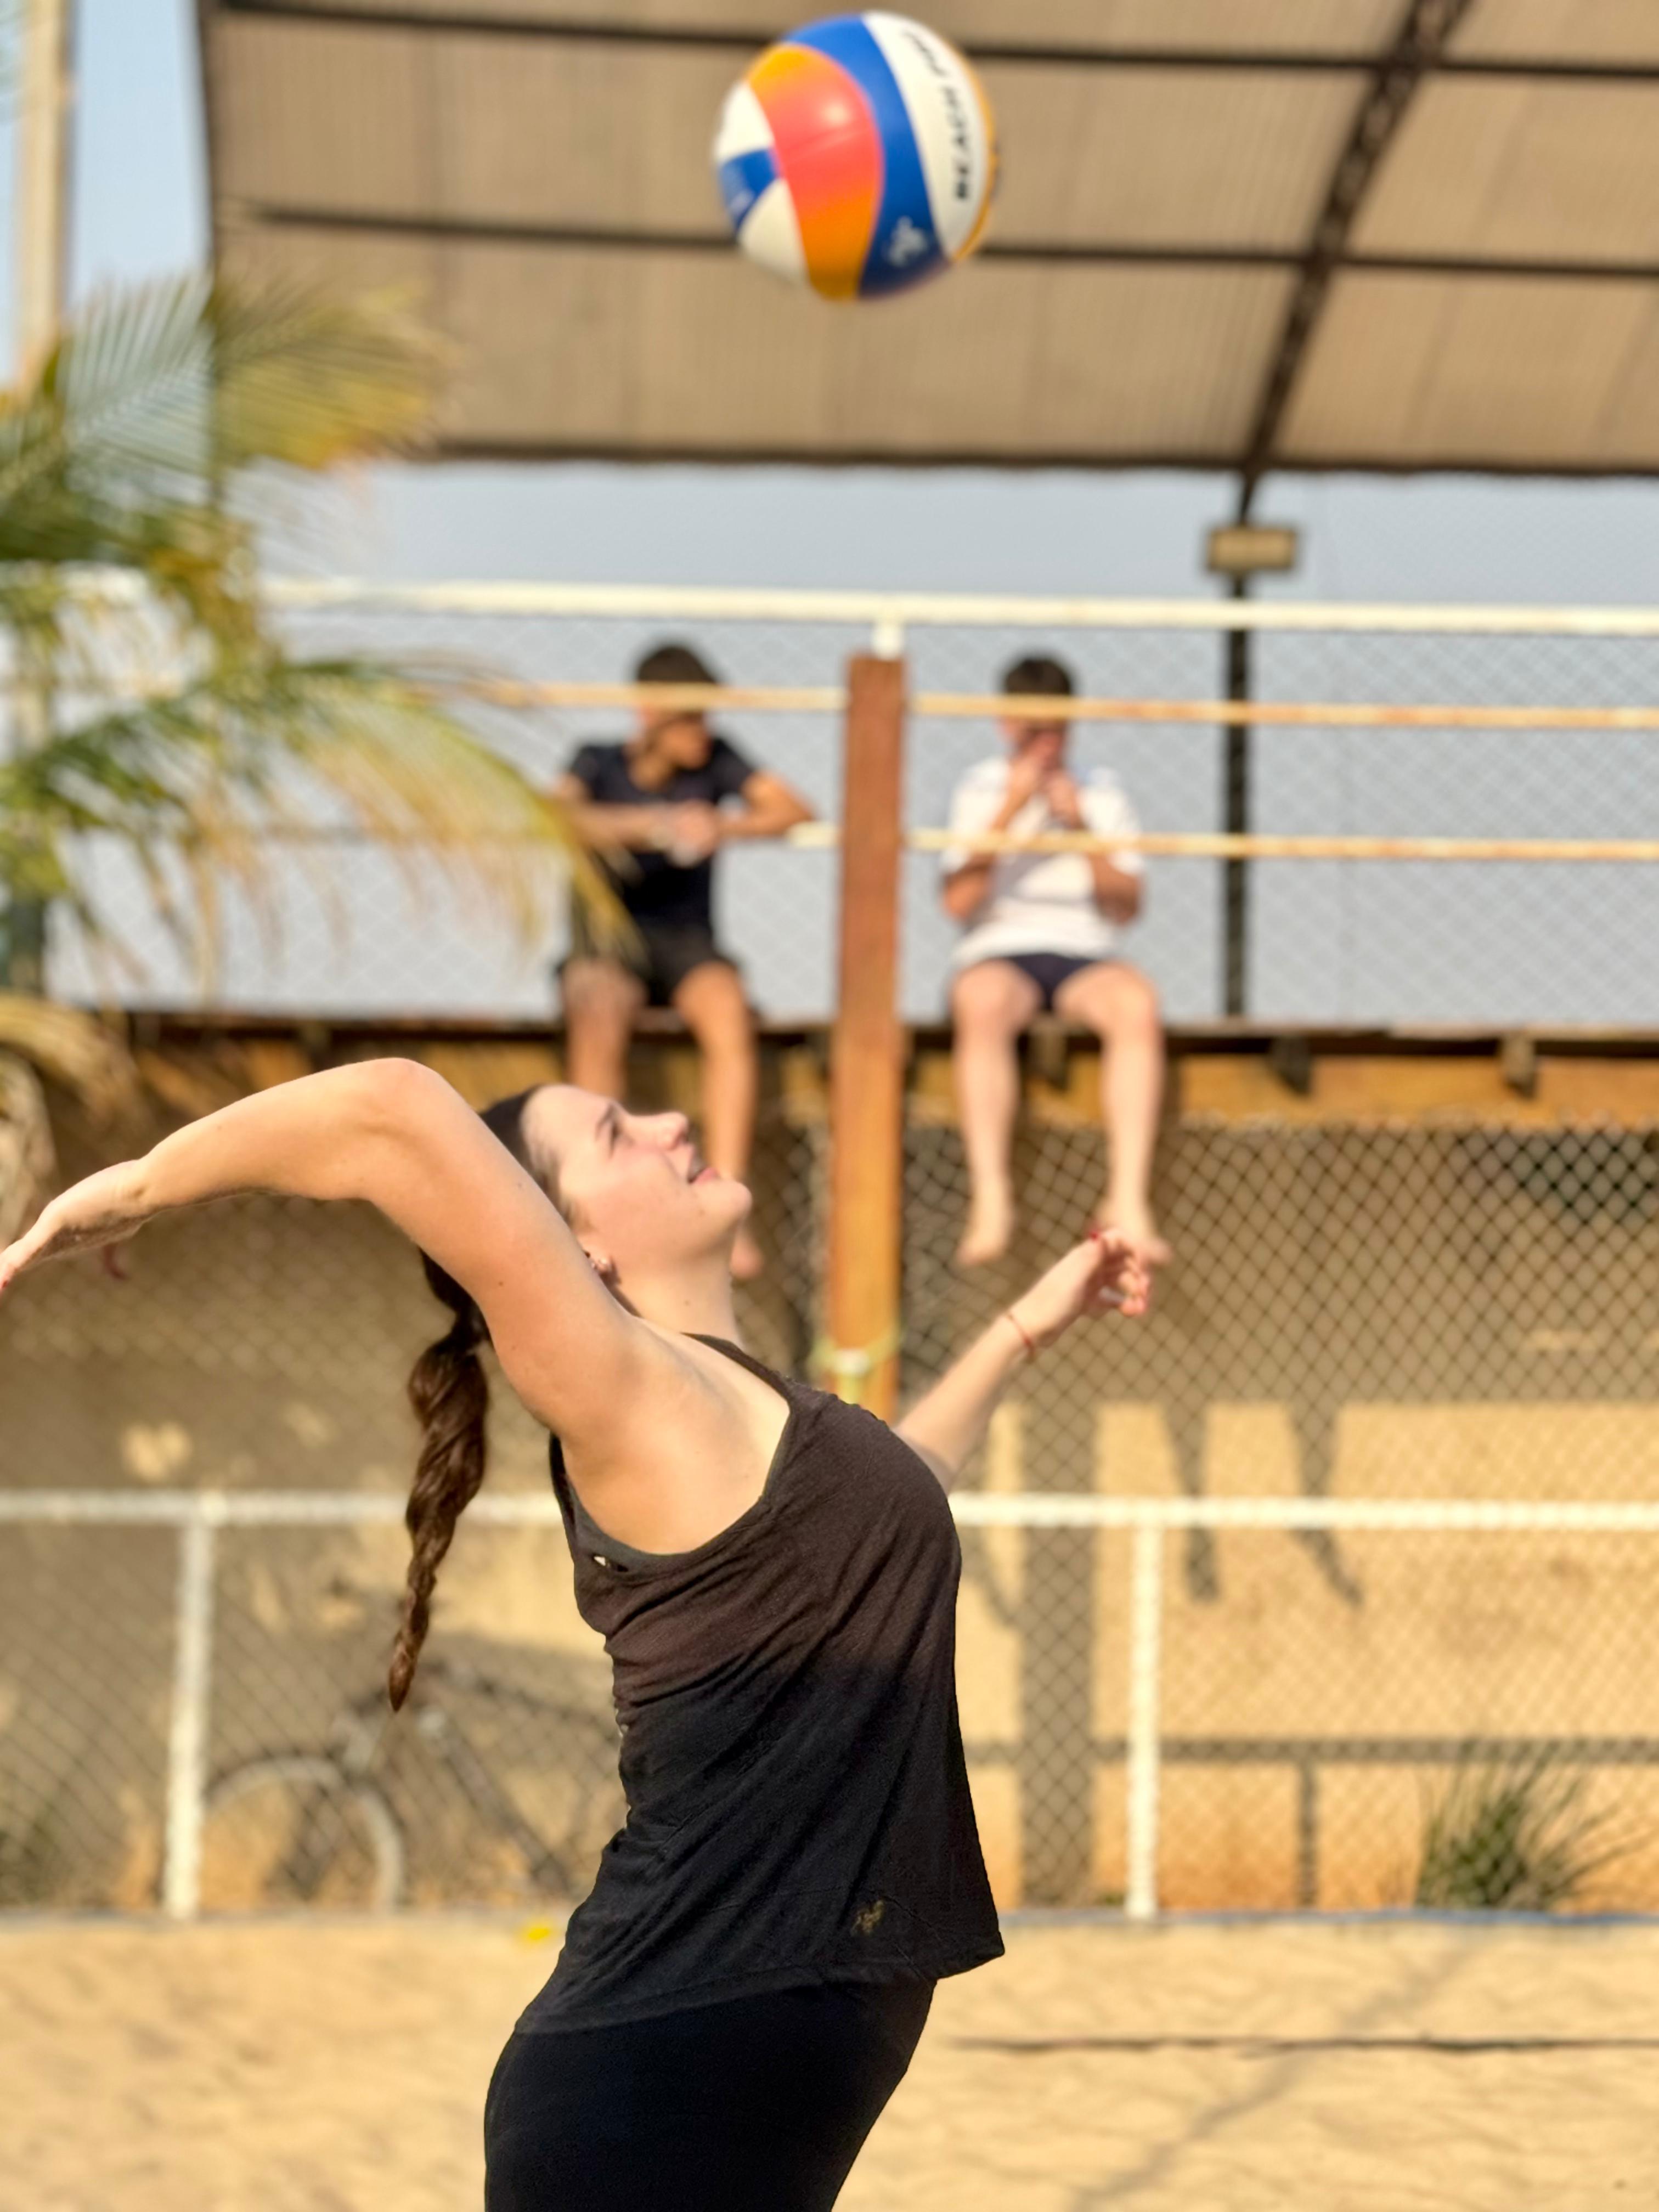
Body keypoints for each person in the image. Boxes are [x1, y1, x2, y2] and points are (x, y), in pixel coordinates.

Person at [0, 1062, 1147, 2212]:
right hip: (655, 2090)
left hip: (731, 2081)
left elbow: (888, 1509)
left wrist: (1028, 1324)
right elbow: (393, 1110)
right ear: (575, 1251)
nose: (668, 1123)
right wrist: (146, 1185)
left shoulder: (751, 1413)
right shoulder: (621, 1387)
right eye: (613, 1134)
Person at [556, 640, 815, 1280]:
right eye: (690, 717)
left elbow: (793, 809)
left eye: (708, 716)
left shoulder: (718, 763)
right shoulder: (595, 761)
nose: (704, 731)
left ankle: (725, 1206)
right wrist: (652, 825)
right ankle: (595, 1209)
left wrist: (721, 826)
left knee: (729, 1007)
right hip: (608, 944)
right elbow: (558, 814)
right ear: (649, 713)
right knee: (597, 1007)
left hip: (687, 945)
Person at [941, 652, 1169, 1271]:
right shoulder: (979, 788)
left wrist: (1083, 829)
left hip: (1084, 952)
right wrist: (1009, 811)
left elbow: (1126, 907)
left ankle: (1127, 1196)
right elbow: (958, 901)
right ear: (1004, 725)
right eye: (1031, 731)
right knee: (981, 1001)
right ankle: (992, 1196)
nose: (1045, 745)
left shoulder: (1103, 790)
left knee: (1137, 1003)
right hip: (1000, 950)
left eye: (1056, 731)